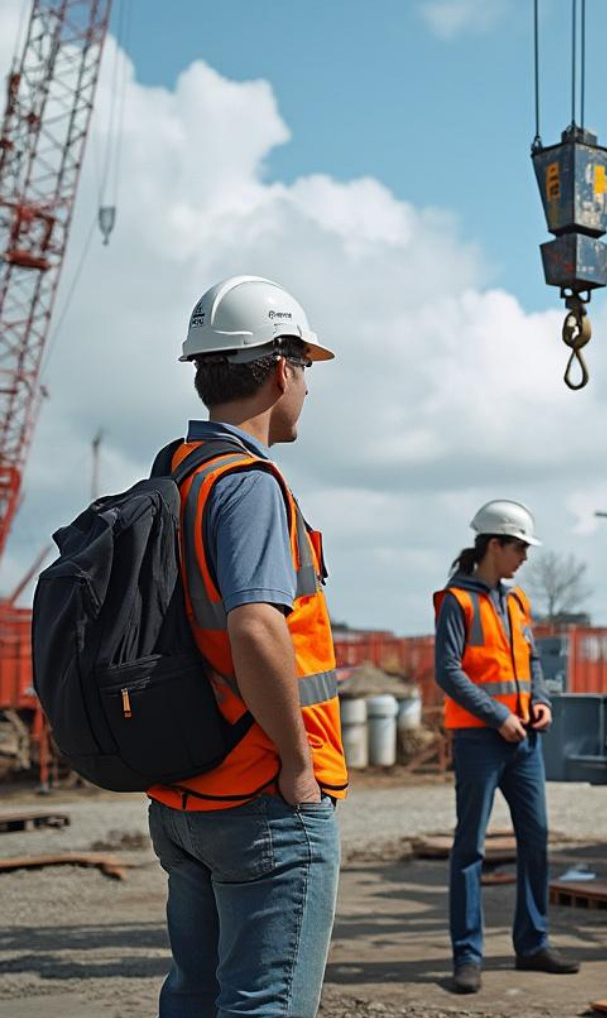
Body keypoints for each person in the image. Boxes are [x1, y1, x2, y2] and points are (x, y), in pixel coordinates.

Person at [147, 275, 346, 1018]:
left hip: (186, 789)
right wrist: (298, 764)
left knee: (195, 998)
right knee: (265, 1004)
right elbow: (256, 626)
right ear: (280, 367)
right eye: (307, 370)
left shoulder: (175, 473)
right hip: (262, 792)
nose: (307, 388)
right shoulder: (249, 485)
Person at [435, 500, 579, 993]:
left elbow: (533, 659)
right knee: (470, 848)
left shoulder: (516, 602)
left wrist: (540, 702)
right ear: (494, 544)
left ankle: (533, 944)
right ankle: (467, 956)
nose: (524, 557)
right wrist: (498, 717)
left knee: (536, 840)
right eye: (519, 547)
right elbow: (448, 672)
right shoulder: (457, 601)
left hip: (524, 740)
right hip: (481, 740)